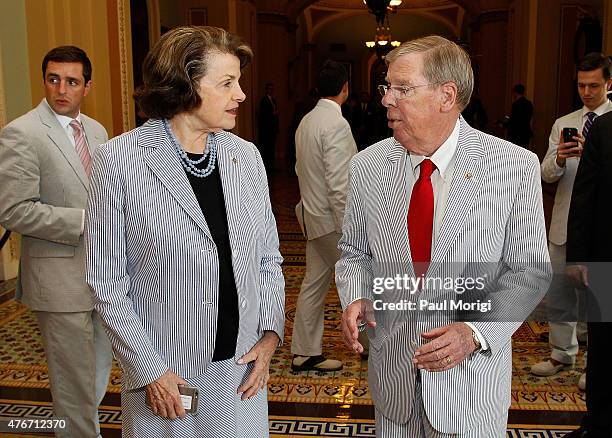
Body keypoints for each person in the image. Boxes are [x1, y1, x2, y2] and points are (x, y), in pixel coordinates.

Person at [336, 35, 551, 437]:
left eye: (403, 89)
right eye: (387, 88)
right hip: (394, 382)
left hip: (469, 389)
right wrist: (358, 295)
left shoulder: (513, 166)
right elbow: (354, 252)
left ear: (446, 95)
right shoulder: (367, 166)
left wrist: (476, 332)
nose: (386, 100)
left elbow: (529, 272)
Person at [85, 26, 285, 437]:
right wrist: (150, 369)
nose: (241, 94)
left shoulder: (245, 157)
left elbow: (268, 259)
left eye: (239, 82)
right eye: (227, 83)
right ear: (185, 85)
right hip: (166, 377)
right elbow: (106, 282)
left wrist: (269, 338)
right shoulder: (120, 159)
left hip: (241, 374)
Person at [0, 46, 112, 437]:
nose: (60, 89)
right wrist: (86, 222)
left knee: (97, 371)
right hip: (57, 279)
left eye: (71, 81)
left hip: (101, 276)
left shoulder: (96, 131)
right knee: (73, 382)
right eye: (53, 79)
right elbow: (14, 210)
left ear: (87, 86)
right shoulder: (22, 132)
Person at [534, 53, 612, 385]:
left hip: (602, 225)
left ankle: (596, 364)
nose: (587, 91)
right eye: (581, 85)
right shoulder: (564, 122)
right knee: (560, 292)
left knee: (599, 300)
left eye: (594, 85)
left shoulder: (610, 125)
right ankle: (561, 353)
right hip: (565, 220)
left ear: (609, 83)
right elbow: (545, 174)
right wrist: (561, 159)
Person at [291, 60, 358, 372]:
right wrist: (351, 226)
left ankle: (305, 351)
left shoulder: (307, 121)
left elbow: (299, 170)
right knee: (361, 282)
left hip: (312, 218)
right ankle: (373, 346)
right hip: (333, 222)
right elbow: (339, 182)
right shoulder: (336, 124)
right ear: (345, 88)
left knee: (314, 283)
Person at [565, 110, 612, 438]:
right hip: (605, 266)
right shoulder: (605, 129)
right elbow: (584, 197)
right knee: (605, 351)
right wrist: (578, 258)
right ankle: (597, 426)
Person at [258, 82, 279, 170]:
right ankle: (267, 167)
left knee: (272, 147)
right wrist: (273, 113)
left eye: (272, 89)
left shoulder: (273, 100)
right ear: (266, 90)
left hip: (273, 128)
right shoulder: (264, 100)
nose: (271, 90)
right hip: (267, 129)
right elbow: (264, 115)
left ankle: (272, 165)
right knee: (267, 148)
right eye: (269, 89)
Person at [505, 83, 534, 148]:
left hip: (516, 133)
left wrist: (504, 124)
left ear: (515, 92)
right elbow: (529, 117)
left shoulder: (516, 104)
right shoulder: (529, 104)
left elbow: (513, 120)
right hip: (526, 132)